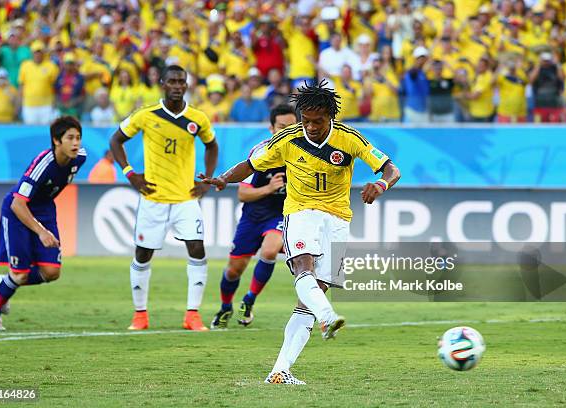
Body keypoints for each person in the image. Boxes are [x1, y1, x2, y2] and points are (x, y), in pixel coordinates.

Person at [201, 80, 400, 384]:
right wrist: (222, 179)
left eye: (317, 121)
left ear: (330, 117)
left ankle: (280, 370)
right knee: (303, 269)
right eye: (305, 121)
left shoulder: (349, 139)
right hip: (300, 212)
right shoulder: (287, 139)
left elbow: (391, 169)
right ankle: (328, 317)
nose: (310, 127)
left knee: (313, 294)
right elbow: (249, 164)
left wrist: (381, 185)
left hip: (337, 220)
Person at [109, 65, 219, 332]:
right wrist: (130, 174)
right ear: (162, 83)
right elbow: (115, 141)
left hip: (185, 198)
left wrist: (206, 181)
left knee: (197, 249)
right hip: (153, 198)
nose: (177, 86)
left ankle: (192, 315)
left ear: (187, 84)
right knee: (143, 253)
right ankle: (140, 315)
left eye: (182, 81)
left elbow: (212, 145)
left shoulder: (198, 118)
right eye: (172, 81)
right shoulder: (146, 115)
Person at [0, 116, 86, 331]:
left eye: (78, 137)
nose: (76, 143)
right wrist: (41, 232)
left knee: (52, 272)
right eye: (70, 138)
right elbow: (18, 203)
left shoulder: (80, 158)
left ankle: (5, 283)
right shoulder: (44, 164)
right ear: (56, 141)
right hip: (18, 211)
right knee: (20, 273)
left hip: (45, 209)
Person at [211, 104, 297, 329]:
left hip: (281, 216)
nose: (286, 131)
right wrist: (269, 189)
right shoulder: (260, 153)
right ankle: (225, 307)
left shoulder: (303, 155)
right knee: (233, 270)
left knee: (270, 250)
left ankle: (249, 300)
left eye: (291, 127)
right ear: (271, 128)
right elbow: (243, 194)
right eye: (281, 127)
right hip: (253, 216)